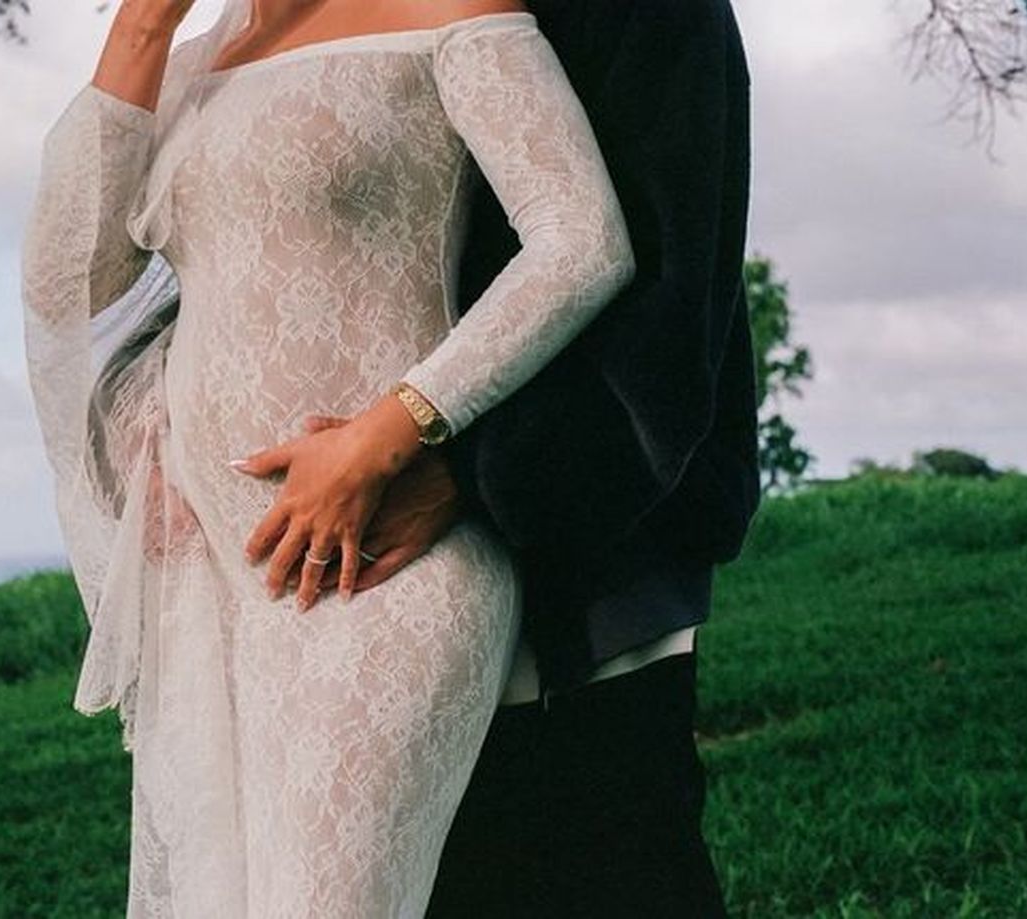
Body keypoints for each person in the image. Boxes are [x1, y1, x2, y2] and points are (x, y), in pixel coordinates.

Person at [19, 0, 638, 914]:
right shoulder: (185, 69)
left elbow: (582, 241)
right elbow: (66, 288)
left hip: (381, 567)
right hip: (214, 592)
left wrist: (391, 430)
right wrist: (142, 29)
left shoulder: (450, 12)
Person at [254, 0, 760, 915]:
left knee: (599, 871)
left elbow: (666, 316)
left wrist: (461, 470)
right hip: (359, 565)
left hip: (589, 554)